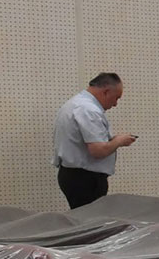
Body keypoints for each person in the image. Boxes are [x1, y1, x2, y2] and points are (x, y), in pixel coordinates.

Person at [52, 72, 136, 209]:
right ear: (106, 92)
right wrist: (119, 141)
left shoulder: (75, 103)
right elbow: (98, 150)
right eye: (116, 98)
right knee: (91, 219)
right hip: (86, 179)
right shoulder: (89, 110)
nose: (115, 104)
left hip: (73, 175)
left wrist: (112, 140)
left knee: (81, 217)